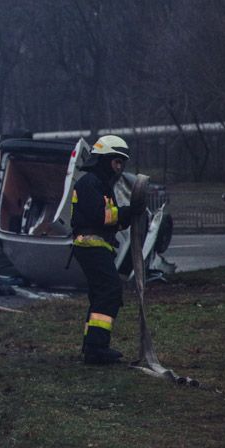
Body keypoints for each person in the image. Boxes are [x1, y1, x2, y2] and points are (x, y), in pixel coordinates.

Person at [70, 134, 138, 366]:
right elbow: (102, 216)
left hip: (98, 245)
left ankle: (92, 347)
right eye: (116, 162)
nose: (119, 168)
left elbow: (113, 220)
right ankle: (98, 348)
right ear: (104, 160)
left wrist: (126, 216)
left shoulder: (100, 184)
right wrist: (128, 212)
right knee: (109, 292)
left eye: (122, 163)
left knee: (100, 295)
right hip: (91, 245)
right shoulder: (90, 183)